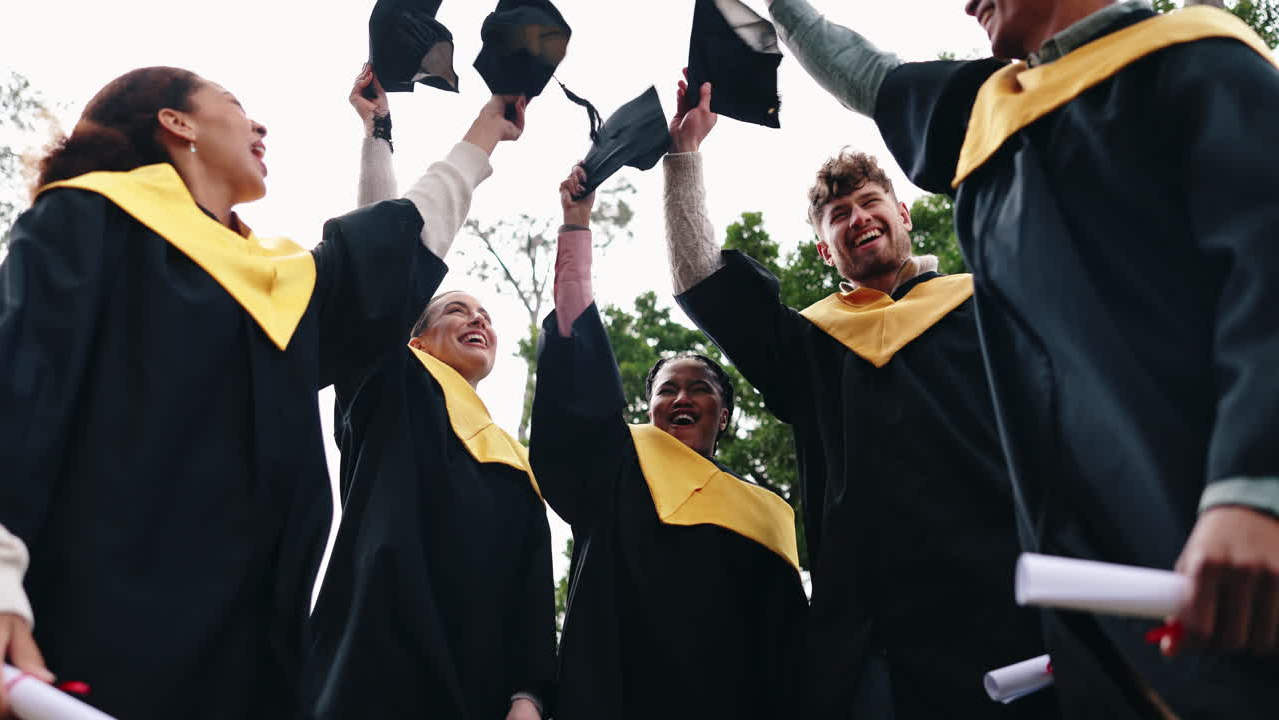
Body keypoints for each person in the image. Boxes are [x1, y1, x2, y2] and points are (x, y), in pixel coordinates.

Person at [762, 0, 1279, 716]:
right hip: (1103, 592)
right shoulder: (992, 116)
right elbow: (868, 74)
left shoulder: (1197, 61)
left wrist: (1255, 486)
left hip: (1231, 532)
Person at [0, 65, 520, 719]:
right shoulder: (84, 223)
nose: (259, 124)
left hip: (242, 671)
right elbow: (17, 397)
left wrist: (487, 128)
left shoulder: (273, 284)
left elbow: (389, 253)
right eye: (234, 104)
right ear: (177, 123)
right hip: (80, 653)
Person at [664, 78, 1056, 719]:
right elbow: (701, 278)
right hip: (872, 642)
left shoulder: (986, 305)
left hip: (1011, 604)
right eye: (838, 216)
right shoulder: (811, 343)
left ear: (904, 214)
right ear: (826, 250)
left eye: (872, 203)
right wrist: (684, 158)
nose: (859, 219)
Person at [301, 67, 554, 720]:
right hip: (375, 673)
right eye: (455, 310)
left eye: (484, 315)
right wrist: (377, 135)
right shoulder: (393, 384)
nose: (478, 320)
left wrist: (527, 695)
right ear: (413, 338)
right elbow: (376, 275)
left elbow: (528, 591)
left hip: (475, 690)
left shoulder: (512, 459)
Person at [528, 163, 807, 720]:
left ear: (723, 415)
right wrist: (577, 225)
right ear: (647, 408)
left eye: (699, 389)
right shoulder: (615, 465)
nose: (682, 398)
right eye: (666, 390)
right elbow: (578, 374)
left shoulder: (765, 515)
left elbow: (790, 664)